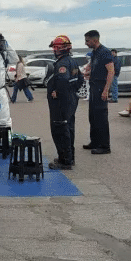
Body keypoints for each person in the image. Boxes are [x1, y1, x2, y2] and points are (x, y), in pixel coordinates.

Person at [46, 35, 83, 170]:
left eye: (55, 48)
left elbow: (62, 81)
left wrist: (58, 93)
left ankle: (65, 161)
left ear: (62, 49)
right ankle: (69, 157)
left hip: (61, 103)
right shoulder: (72, 62)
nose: (54, 50)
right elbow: (80, 79)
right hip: (71, 99)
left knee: (60, 129)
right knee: (69, 128)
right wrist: (72, 91)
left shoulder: (62, 64)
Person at [83, 30, 114, 155]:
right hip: (94, 87)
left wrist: (106, 90)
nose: (86, 43)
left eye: (87, 41)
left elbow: (110, 72)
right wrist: (89, 73)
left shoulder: (105, 52)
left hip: (101, 88)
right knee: (93, 117)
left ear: (95, 40)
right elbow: (97, 68)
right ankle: (95, 141)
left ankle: (104, 146)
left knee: (101, 118)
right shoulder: (95, 52)